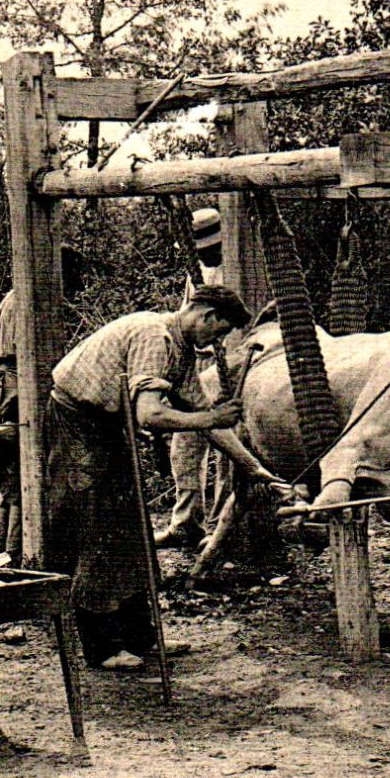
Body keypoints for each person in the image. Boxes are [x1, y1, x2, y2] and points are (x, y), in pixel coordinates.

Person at [43, 284, 287, 670]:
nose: (217, 341)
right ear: (206, 316)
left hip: (107, 427)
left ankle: (142, 636)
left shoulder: (181, 352)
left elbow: (208, 419)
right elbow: (150, 414)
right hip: (77, 424)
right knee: (99, 531)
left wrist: (254, 468)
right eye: (219, 331)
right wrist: (208, 418)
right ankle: (101, 647)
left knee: (133, 529)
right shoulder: (154, 337)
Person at [0, 245, 87, 561]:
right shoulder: (26, 302)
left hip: (14, 389)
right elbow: (29, 359)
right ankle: (15, 555)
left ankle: (3, 551)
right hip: (19, 393)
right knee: (22, 477)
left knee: (15, 480)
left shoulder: (20, 296)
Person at [155, 207, 228, 548]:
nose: (208, 251)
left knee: (226, 447)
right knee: (185, 444)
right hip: (197, 364)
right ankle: (186, 522)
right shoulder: (195, 273)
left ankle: (220, 525)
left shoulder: (238, 267)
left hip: (229, 362)